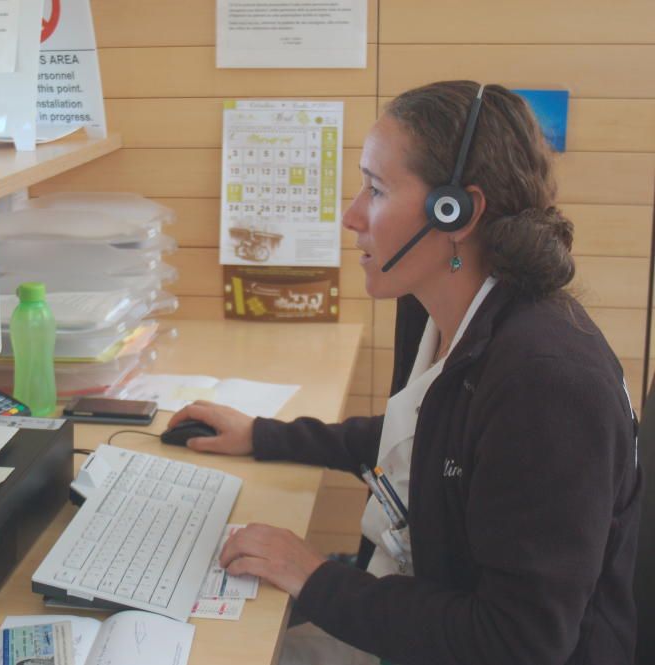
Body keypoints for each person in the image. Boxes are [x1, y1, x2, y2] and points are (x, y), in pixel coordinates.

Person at [168, 81, 641, 664]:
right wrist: (265, 435)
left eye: (376, 189)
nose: (351, 216)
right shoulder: (434, 307)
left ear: (456, 212)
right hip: (422, 600)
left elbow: (521, 644)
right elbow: (424, 437)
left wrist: (315, 577)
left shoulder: (546, 384)